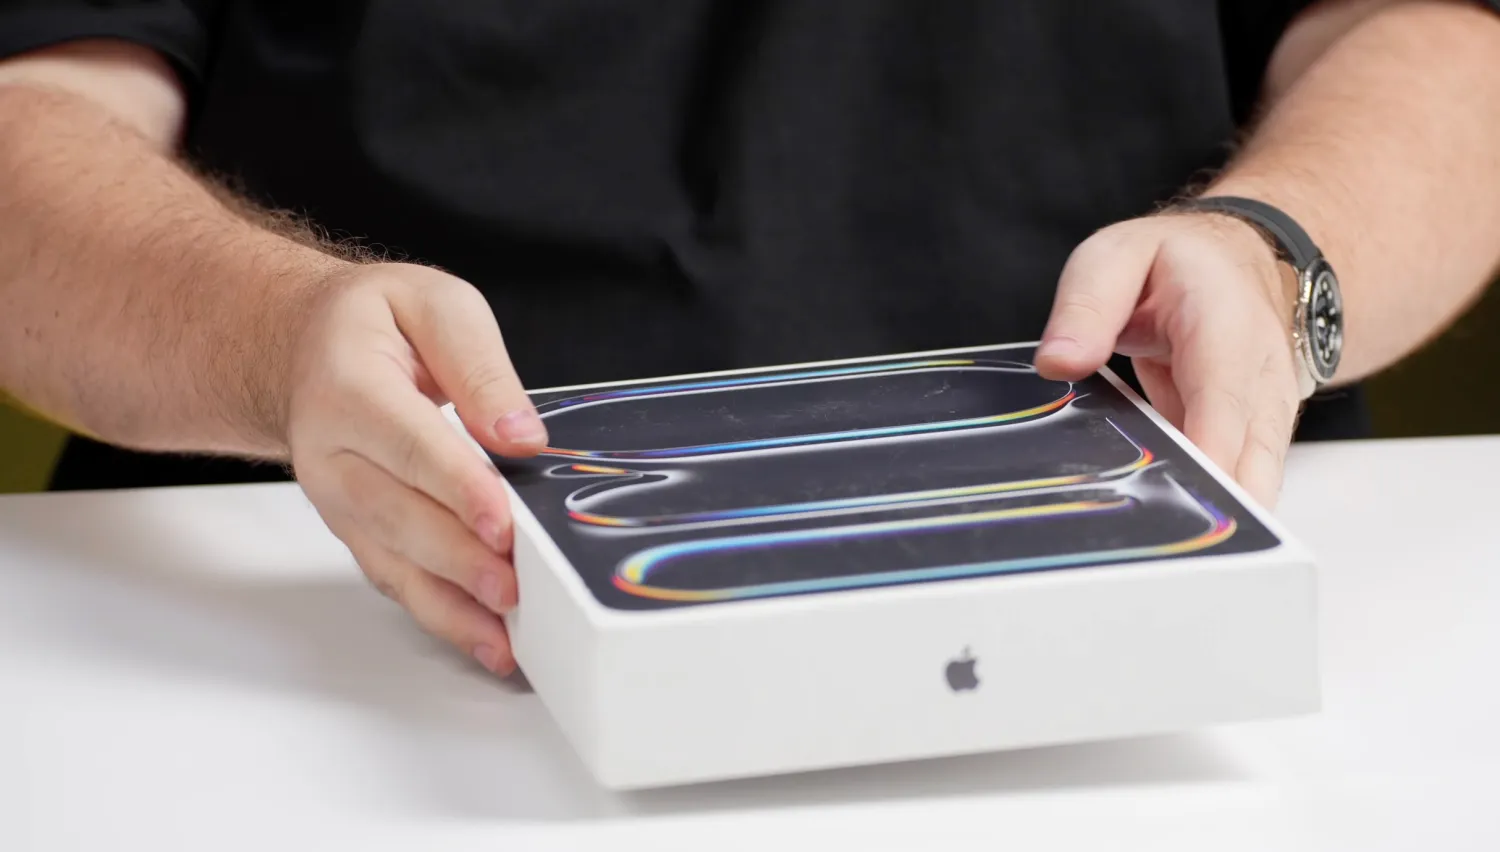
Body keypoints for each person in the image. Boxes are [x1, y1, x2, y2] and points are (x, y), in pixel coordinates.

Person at [2, 1, 1497, 675]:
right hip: (359, 617)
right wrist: (275, 338)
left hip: (1161, 609)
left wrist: (1281, 255)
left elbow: (1444, 40)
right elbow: (30, 123)